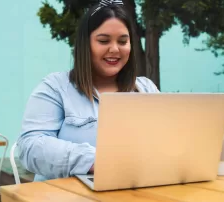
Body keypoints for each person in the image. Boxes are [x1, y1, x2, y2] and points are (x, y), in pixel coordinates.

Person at [17, 0, 160, 182]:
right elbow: (30, 147)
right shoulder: (55, 87)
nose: (115, 49)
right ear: (85, 44)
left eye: (123, 41)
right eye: (103, 40)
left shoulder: (146, 88)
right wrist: (96, 160)